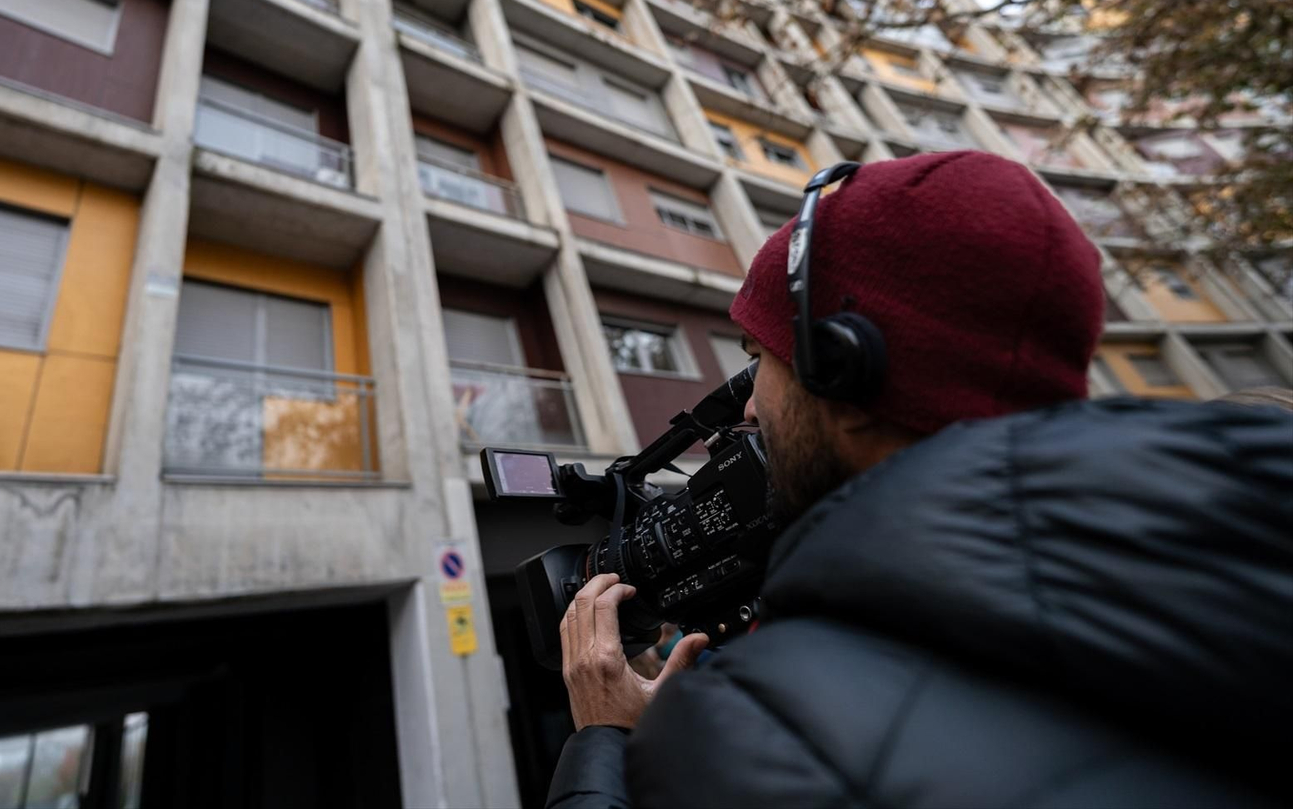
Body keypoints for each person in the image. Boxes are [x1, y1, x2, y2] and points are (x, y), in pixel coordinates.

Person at [548, 151, 1293, 807]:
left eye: (761, 360)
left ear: (844, 367)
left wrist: (609, 744)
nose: (747, 404)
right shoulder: (1211, 576)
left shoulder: (773, 738)